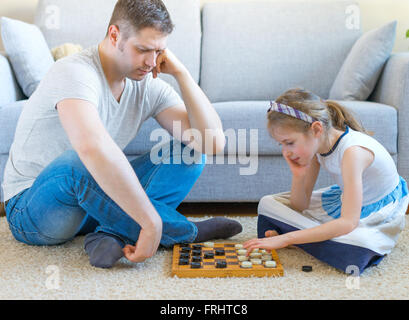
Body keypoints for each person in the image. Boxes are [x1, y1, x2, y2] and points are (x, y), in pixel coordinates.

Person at [2, 0, 242, 269]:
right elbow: (92, 148)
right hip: (32, 208)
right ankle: (184, 231)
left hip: (94, 200)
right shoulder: (75, 72)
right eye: (143, 50)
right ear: (115, 35)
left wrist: (182, 74)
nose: (152, 62)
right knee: (77, 163)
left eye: (159, 51)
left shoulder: (147, 85)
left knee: (191, 149)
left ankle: (109, 234)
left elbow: (212, 143)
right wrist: (151, 223)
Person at [243, 88, 408, 274]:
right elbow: (300, 205)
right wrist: (298, 175)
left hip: (375, 212)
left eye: (289, 143)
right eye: (281, 144)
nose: (285, 152)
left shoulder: (353, 152)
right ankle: (315, 240)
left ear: (316, 129)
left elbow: (348, 223)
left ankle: (298, 239)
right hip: (344, 201)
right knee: (267, 203)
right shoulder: (318, 146)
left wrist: (286, 239)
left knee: (359, 244)